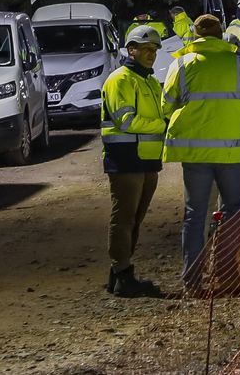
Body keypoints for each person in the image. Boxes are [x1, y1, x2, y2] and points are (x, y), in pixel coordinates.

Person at [161, 14, 240, 290]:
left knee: (195, 214)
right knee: (232, 212)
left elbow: (166, 106)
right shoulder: (239, 64)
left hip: (196, 156)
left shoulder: (181, 65)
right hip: (234, 154)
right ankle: (226, 273)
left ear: (196, 35)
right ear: (220, 33)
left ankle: (192, 280)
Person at [100, 25, 168, 298]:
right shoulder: (121, 80)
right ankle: (122, 273)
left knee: (134, 219)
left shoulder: (149, 80)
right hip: (126, 159)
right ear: (132, 50)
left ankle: (119, 275)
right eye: (147, 49)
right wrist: (162, 124)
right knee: (124, 218)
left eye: (155, 50)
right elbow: (125, 121)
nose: (152, 54)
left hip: (147, 160)